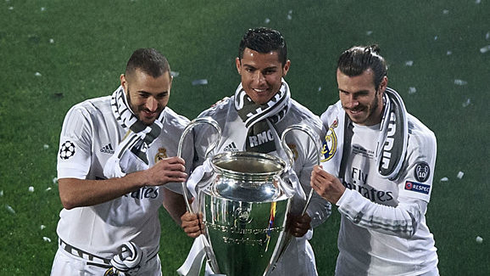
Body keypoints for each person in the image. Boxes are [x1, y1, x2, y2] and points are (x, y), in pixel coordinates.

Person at [180, 27, 331, 275]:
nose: (259, 81)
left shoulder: (308, 129)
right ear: (239, 66)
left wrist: (308, 218)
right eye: (251, 70)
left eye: (269, 71)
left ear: (286, 68)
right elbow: (194, 187)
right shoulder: (212, 123)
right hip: (221, 259)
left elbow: (321, 201)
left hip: (286, 260)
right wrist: (191, 215)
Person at [51, 48, 192, 275]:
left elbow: (172, 191)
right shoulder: (87, 117)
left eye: (161, 95)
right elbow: (70, 194)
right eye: (143, 95)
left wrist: (188, 219)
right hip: (84, 266)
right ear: (125, 83)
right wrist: (145, 177)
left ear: (170, 85)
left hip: (144, 267)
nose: (152, 106)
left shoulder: (178, 130)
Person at [311, 45, 439, 275]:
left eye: (360, 94)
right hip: (351, 266)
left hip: (407, 269)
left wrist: (343, 197)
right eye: (344, 92)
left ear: (382, 86)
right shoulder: (335, 117)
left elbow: (407, 221)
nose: (351, 103)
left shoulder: (417, 139)